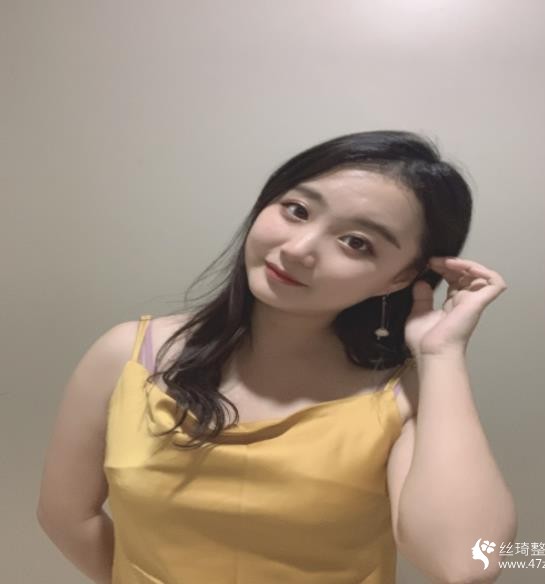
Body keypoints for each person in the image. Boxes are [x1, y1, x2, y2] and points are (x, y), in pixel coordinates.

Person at [37, 130, 517, 583]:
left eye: (356, 242)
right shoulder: (128, 356)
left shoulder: (401, 394)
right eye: (297, 210)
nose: (299, 248)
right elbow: (67, 516)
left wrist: (441, 356)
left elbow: (465, 562)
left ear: (398, 278)